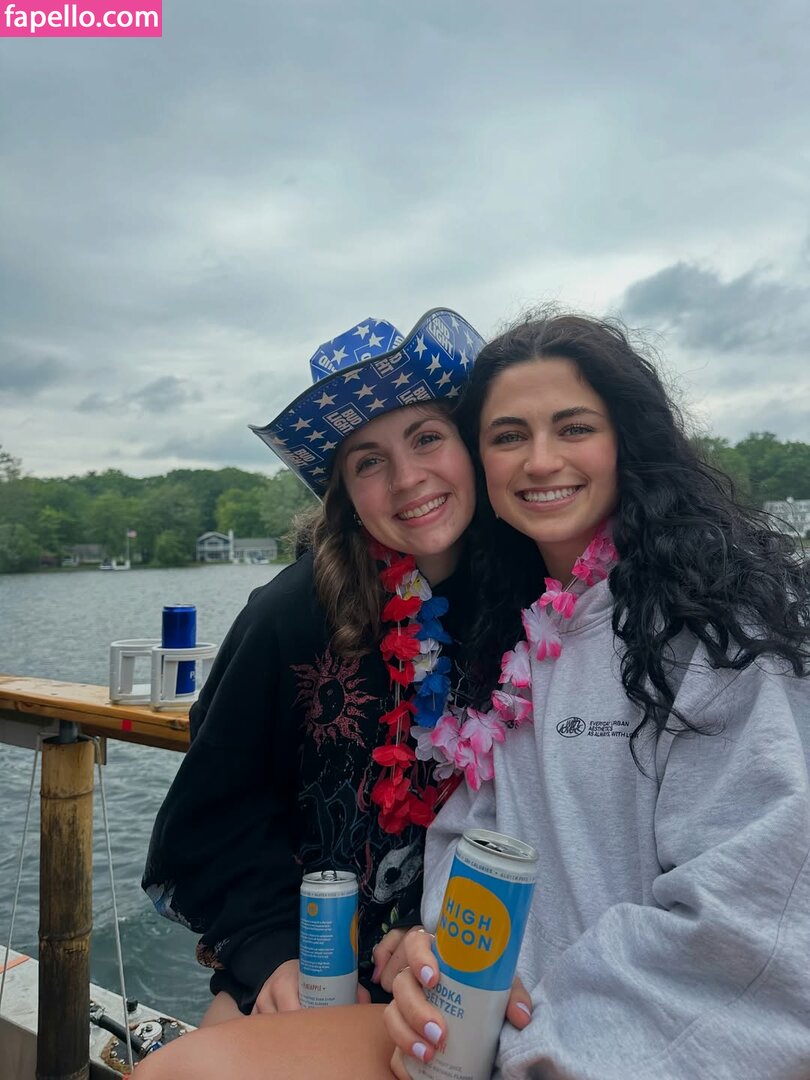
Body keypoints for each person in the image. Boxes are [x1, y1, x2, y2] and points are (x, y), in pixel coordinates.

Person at [383, 311, 810, 1079]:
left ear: (627, 442)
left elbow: (750, 925)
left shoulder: (720, 630)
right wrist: (440, 960)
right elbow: (469, 836)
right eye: (508, 436)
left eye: (574, 427)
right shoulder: (510, 633)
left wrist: (533, 1049)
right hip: (481, 1044)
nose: (541, 460)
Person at [141, 308, 487, 1024]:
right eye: (368, 461)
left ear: (471, 447)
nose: (407, 478)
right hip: (304, 973)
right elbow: (210, 819)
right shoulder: (286, 616)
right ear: (346, 495)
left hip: (466, 970)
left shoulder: (525, 603)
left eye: (427, 437)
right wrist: (272, 956)